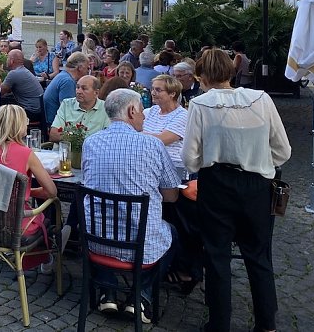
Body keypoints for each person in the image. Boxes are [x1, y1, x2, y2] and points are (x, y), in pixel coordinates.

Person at [182, 48, 291, 332]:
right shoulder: (262, 99)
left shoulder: (201, 104)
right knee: (258, 255)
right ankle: (267, 323)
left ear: (202, 75)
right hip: (257, 184)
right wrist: (259, 162)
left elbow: (190, 157)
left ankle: (219, 324)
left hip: (217, 183)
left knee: (216, 256)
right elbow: (283, 149)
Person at [82, 88, 180, 322]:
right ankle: (141, 296)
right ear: (132, 110)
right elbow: (171, 196)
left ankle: (108, 290)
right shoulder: (152, 145)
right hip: (140, 246)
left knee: (101, 219)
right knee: (173, 234)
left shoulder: (91, 142)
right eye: (142, 112)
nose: (144, 117)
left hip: (95, 242)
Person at [0, 105, 57, 238]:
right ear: (18, 125)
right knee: (48, 215)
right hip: (17, 225)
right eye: (25, 120)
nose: (27, 123)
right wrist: (25, 192)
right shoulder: (26, 154)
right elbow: (52, 192)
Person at [144, 75, 188, 172]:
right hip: (149, 165)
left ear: (172, 93)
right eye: (153, 89)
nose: (153, 93)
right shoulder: (151, 111)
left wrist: (135, 135)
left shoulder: (183, 116)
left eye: (158, 90)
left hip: (172, 167)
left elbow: (161, 140)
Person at [50, 75, 108, 142]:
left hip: (93, 151)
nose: (78, 91)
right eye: (77, 87)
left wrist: (69, 137)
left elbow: (108, 139)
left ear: (96, 93)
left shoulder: (106, 108)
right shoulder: (66, 104)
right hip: (66, 150)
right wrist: (78, 141)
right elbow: (53, 135)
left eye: (84, 88)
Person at [0, 49, 45, 127]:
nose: (6, 60)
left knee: (3, 109)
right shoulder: (24, 71)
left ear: (12, 61)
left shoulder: (14, 74)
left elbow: (0, 92)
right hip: (38, 111)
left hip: (30, 113)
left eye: (7, 57)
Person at [43, 52, 89, 125]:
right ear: (80, 68)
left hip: (53, 120)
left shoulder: (63, 76)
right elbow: (69, 111)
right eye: (87, 68)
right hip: (57, 124)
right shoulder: (68, 81)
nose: (87, 72)